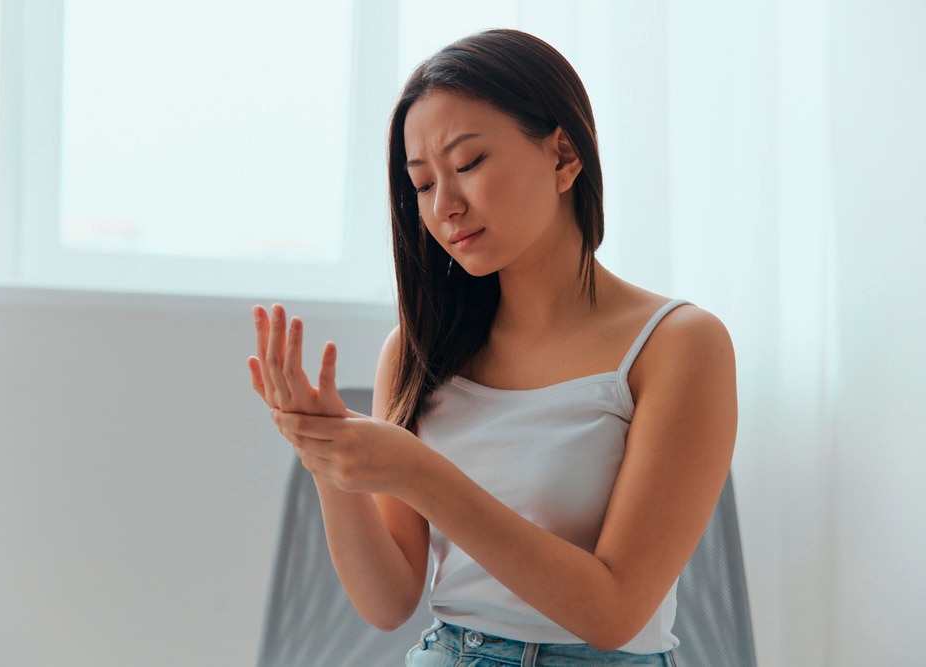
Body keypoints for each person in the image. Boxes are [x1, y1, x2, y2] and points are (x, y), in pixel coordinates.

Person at [248, 29, 736, 667]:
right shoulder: (419, 350)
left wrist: (417, 471)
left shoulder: (677, 345)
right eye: (422, 184)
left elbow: (615, 613)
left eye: (469, 163)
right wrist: (328, 457)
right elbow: (389, 601)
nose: (446, 205)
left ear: (564, 155)